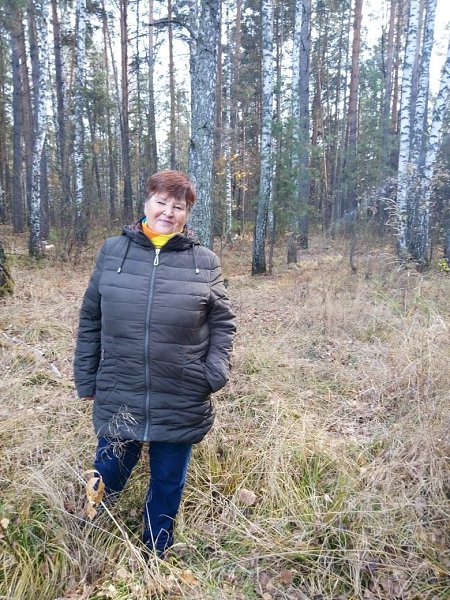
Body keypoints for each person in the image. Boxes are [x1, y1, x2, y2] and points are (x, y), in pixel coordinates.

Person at [74, 170, 236, 557]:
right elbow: (91, 317)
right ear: (147, 203)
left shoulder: (204, 261)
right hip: (121, 386)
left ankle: (155, 551)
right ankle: (88, 532)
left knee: (167, 479)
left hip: (181, 390)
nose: (168, 212)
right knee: (108, 469)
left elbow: (223, 322)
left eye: (178, 206)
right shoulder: (113, 251)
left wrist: (213, 373)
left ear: (187, 214)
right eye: (161, 202)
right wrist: (86, 376)